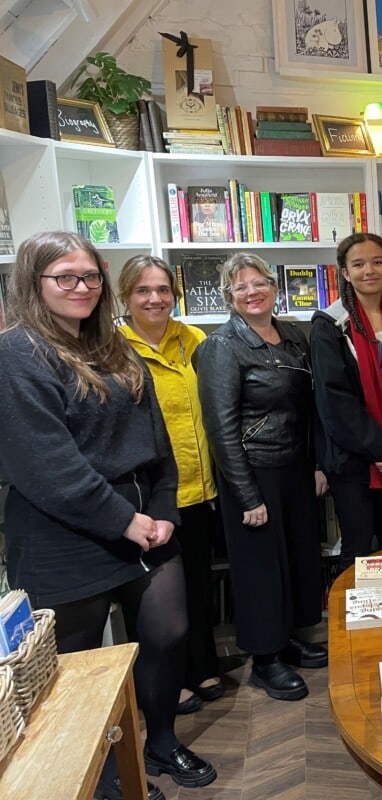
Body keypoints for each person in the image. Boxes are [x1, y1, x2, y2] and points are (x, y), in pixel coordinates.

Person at [0, 232, 216, 799]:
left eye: (91, 276)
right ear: (33, 282)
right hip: (64, 534)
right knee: (77, 667)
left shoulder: (112, 346)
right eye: (65, 277)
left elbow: (157, 438)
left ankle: (161, 741)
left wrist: (165, 507)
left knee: (169, 632)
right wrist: (124, 520)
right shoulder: (17, 352)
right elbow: (47, 464)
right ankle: (106, 775)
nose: (82, 287)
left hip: (146, 521)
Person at [195, 253, 327, 703]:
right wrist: (247, 494)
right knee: (260, 568)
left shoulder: (293, 335)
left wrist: (314, 465)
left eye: (260, 283)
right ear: (229, 297)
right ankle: (265, 659)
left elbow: (309, 410)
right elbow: (221, 428)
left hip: (293, 467)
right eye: (240, 287)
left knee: (293, 558)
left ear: (274, 287)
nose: (252, 292)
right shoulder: (221, 346)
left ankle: (286, 638)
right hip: (252, 472)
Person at [116, 255, 224, 717]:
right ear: (125, 297)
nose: (155, 298)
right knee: (156, 601)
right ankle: (167, 681)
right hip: (150, 494)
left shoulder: (194, 339)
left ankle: (201, 665)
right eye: (143, 290)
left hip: (201, 487)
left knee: (198, 584)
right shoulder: (112, 347)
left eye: (163, 289)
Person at [309, 233, 382, 564]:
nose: (368, 270)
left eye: (377, 262)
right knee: (358, 548)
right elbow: (333, 399)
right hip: (352, 461)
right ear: (345, 273)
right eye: (358, 264)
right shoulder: (329, 325)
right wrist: (379, 448)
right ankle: (356, 617)